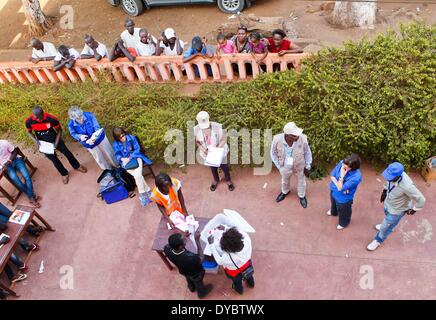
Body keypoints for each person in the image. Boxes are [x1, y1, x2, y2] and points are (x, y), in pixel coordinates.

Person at [367, 162, 426, 251]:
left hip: (397, 210)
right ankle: (391, 226)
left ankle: (378, 240)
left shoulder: (408, 186)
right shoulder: (393, 176)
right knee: (387, 218)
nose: (387, 178)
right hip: (388, 203)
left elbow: (421, 199)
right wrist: (384, 191)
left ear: (398, 176)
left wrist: (414, 209)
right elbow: (388, 182)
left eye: (390, 177)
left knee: (384, 228)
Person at [25, 106, 87, 184]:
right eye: (34, 117)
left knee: (67, 153)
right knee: (54, 160)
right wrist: (36, 140)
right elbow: (29, 132)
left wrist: (56, 143)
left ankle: (77, 166)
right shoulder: (29, 121)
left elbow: (59, 130)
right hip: (43, 144)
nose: (35, 119)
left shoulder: (51, 119)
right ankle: (64, 174)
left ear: (42, 114)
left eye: (37, 117)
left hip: (55, 139)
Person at [271, 122, 312, 208]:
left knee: (301, 181)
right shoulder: (277, 139)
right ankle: (285, 191)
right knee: (285, 180)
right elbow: (273, 153)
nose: (297, 136)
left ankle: (302, 196)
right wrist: (279, 166)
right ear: (287, 135)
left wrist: (308, 166)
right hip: (284, 165)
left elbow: (307, 152)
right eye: (294, 135)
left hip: (300, 164)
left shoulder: (303, 138)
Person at [164, 230, 213, 299]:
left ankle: (191, 287)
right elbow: (201, 259)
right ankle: (202, 293)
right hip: (196, 273)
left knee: (188, 278)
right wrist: (197, 241)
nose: (186, 239)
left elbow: (172, 243)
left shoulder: (167, 249)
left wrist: (183, 236)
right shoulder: (190, 258)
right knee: (198, 282)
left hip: (183, 271)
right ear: (181, 247)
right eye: (184, 240)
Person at [194, 111, 234, 191]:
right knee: (213, 167)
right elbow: (197, 142)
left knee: (224, 167)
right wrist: (204, 150)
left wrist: (217, 149)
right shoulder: (196, 129)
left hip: (219, 151)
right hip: (207, 153)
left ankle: (228, 180)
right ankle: (216, 180)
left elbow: (224, 139)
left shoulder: (217, 126)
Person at [68, 106, 118, 170]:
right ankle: (108, 170)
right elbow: (73, 133)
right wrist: (80, 136)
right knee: (99, 158)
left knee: (109, 153)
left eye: (80, 116)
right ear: (73, 118)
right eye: (77, 119)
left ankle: (117, 165)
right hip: (88, 143)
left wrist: (93, 138)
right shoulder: (71, 124)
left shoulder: (89, 115)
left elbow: (96, 127)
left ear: (81, 113)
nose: (80, 119)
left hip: (100, 138)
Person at [207, 227, 254, 295]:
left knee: (237, 282)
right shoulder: (247, 238)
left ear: (228, 249)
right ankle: (251, 283)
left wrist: (211, 245)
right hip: (247, 264)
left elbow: (219, 262)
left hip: (234, 272)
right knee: (249, 274)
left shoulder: (227, 257)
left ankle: (239, 290)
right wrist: (226, 228)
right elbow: (239, 231)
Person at [112, 128, 152, 206]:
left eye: (123, 135)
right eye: (120, 137)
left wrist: (130, 157)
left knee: (137, 176)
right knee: (139, 176)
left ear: (124, 133)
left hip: (137, 158)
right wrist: (122, 158)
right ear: (117, 138)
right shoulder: (115, 144)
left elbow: (137, 149)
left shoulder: (132, 138)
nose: (123, 138)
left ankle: (143, 195)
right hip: (126, 163)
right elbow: (117, 155)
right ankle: (148, 191)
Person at [0, 140, 41, 207]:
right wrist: (2, 166)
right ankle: (32, 196)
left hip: (15, 160)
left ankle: (31, 197)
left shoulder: (4, 143)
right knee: (17, 181)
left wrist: (9, 160)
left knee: (27, 176)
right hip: (7, 166)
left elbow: (15, 151)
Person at [327, 154, 362, 230]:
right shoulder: (342, 163)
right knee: (333, 203)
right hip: (334, 190)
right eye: (343, 163)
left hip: (344, 198)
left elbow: (340, 188)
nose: (342, 165)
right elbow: (332, 176)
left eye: (346, 166)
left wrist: (341, 177)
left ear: (352, 168)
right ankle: (334, 212)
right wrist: (339, 185)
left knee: (343, 210)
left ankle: (344, 223)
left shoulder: (356, 177)